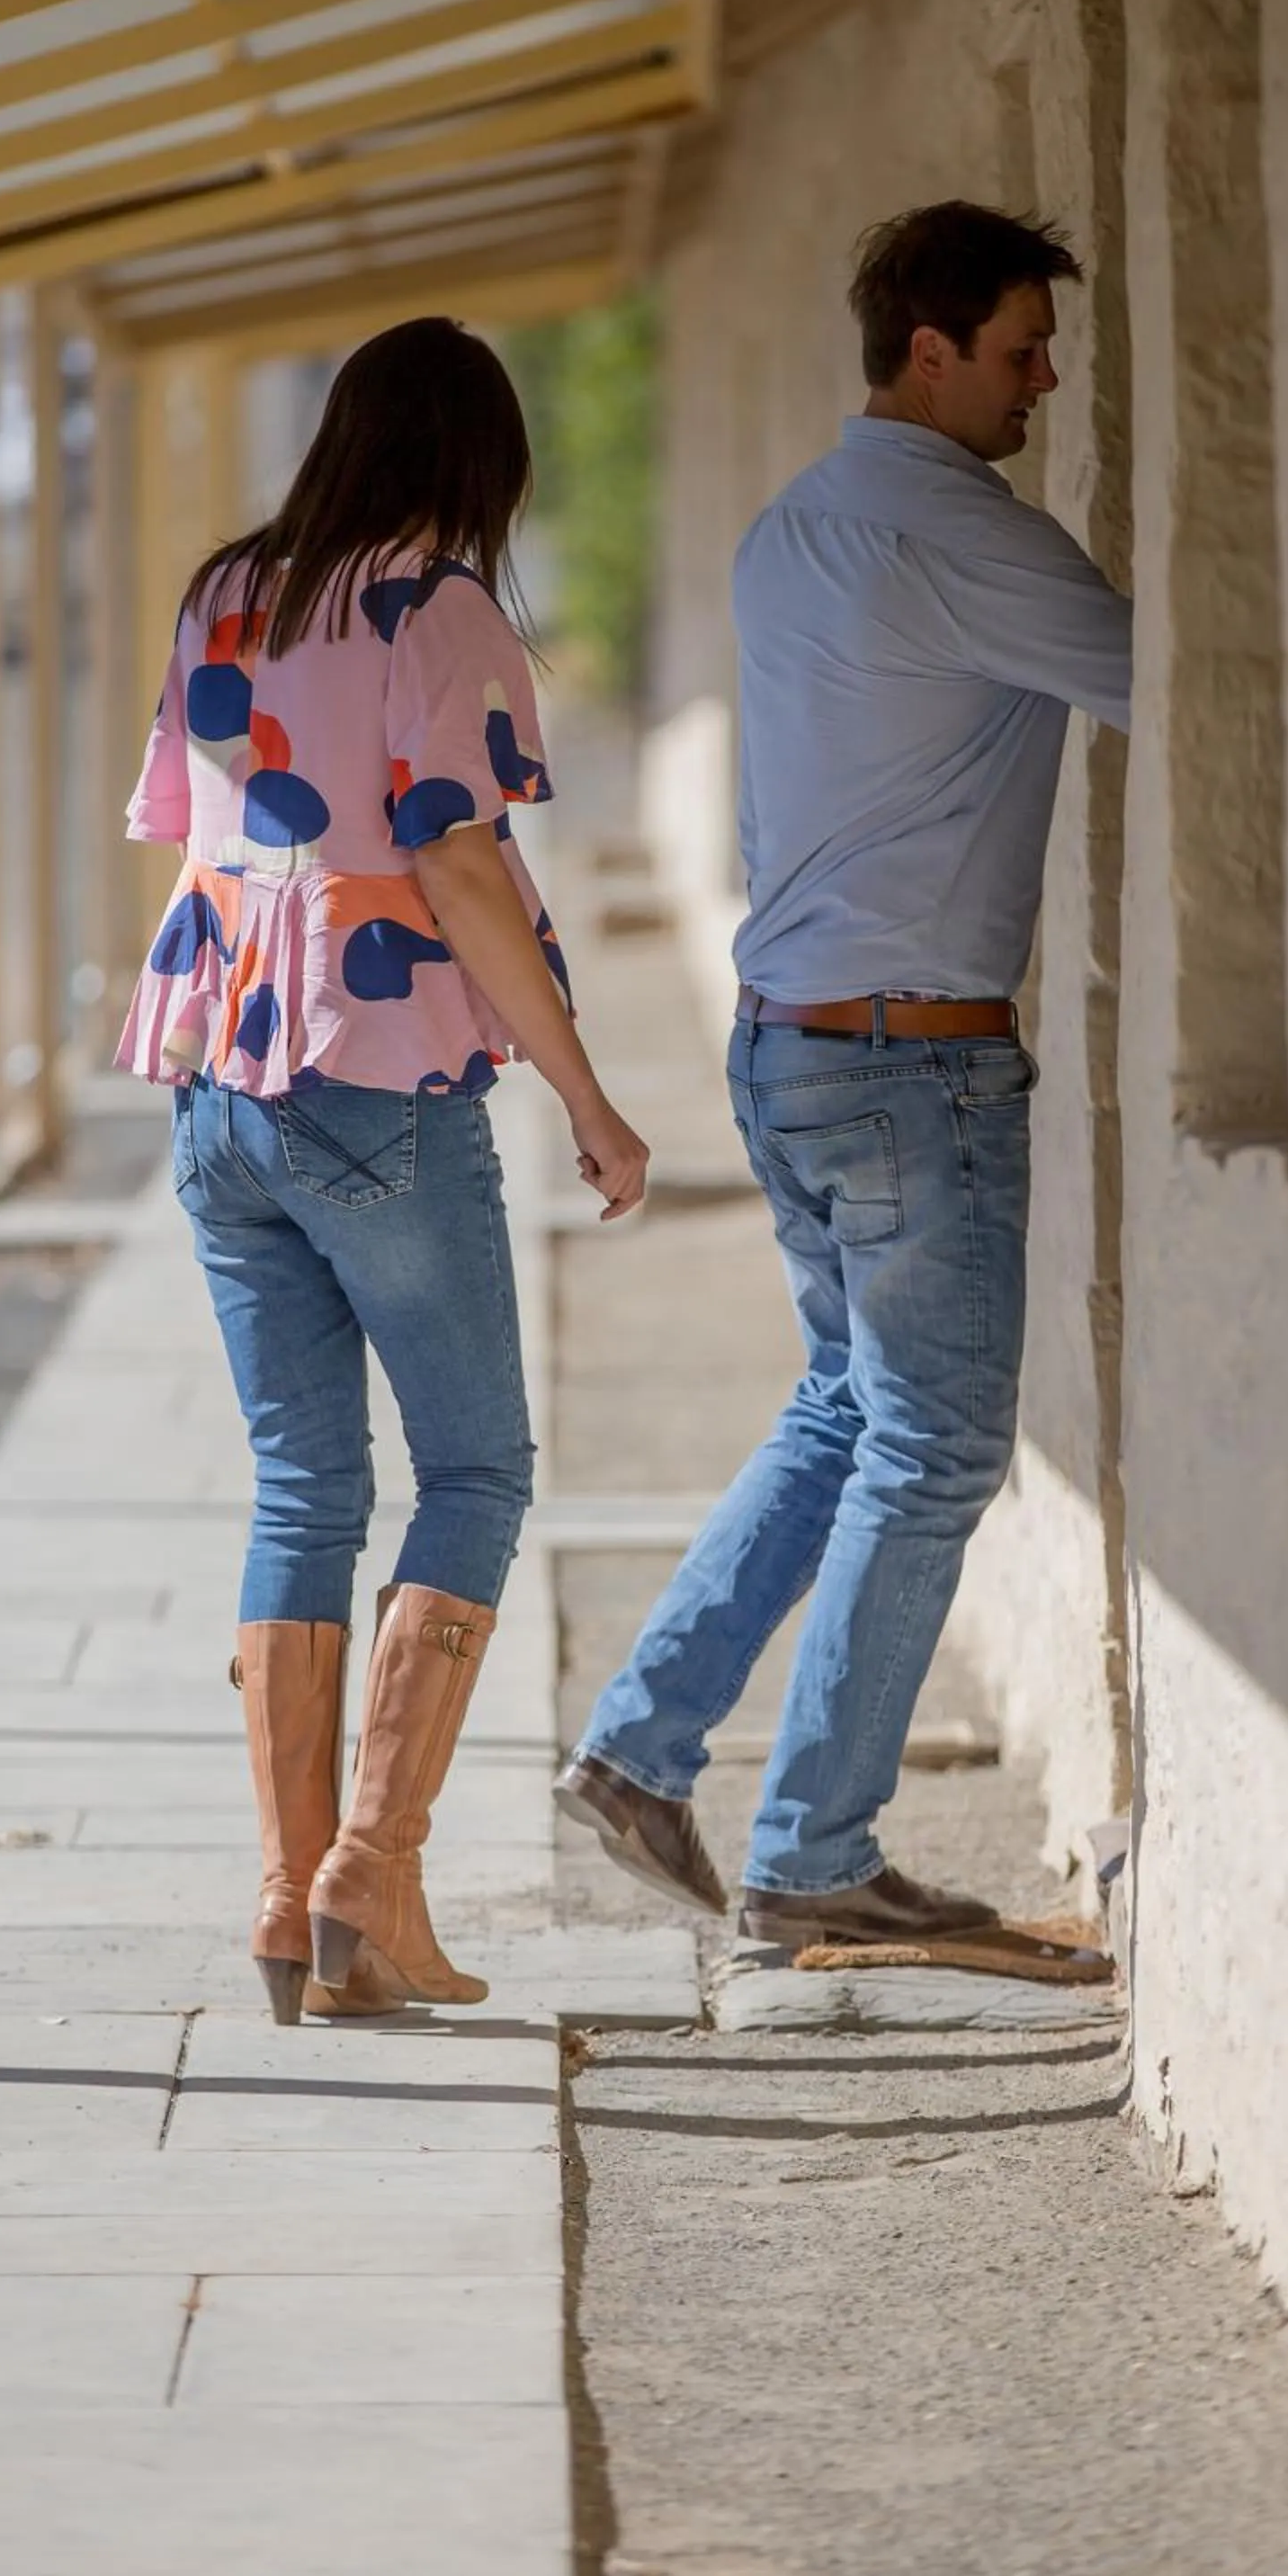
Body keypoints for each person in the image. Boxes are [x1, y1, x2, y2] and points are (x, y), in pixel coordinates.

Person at [557, 202, 1133, 1946]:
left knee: (845, 1407)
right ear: (928, 352)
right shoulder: (972, 540)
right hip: (908, 1072)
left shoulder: (788, 525)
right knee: (934, 1448)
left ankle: (641, 1747)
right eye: (1022, 350)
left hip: (790, 1047)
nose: (1047, 383)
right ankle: (813, 1857)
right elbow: (1177, 678)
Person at [118, 317, 648, 2024]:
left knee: (303, 1488)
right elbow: (459, 868)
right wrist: (588, 1096)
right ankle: (373, 1873)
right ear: (476, 461)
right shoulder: (441, 609)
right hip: (374, 1079)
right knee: (476, 1469)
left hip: (219, 1085)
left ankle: (295, 1904)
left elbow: (198, 826)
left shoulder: (227, 593)